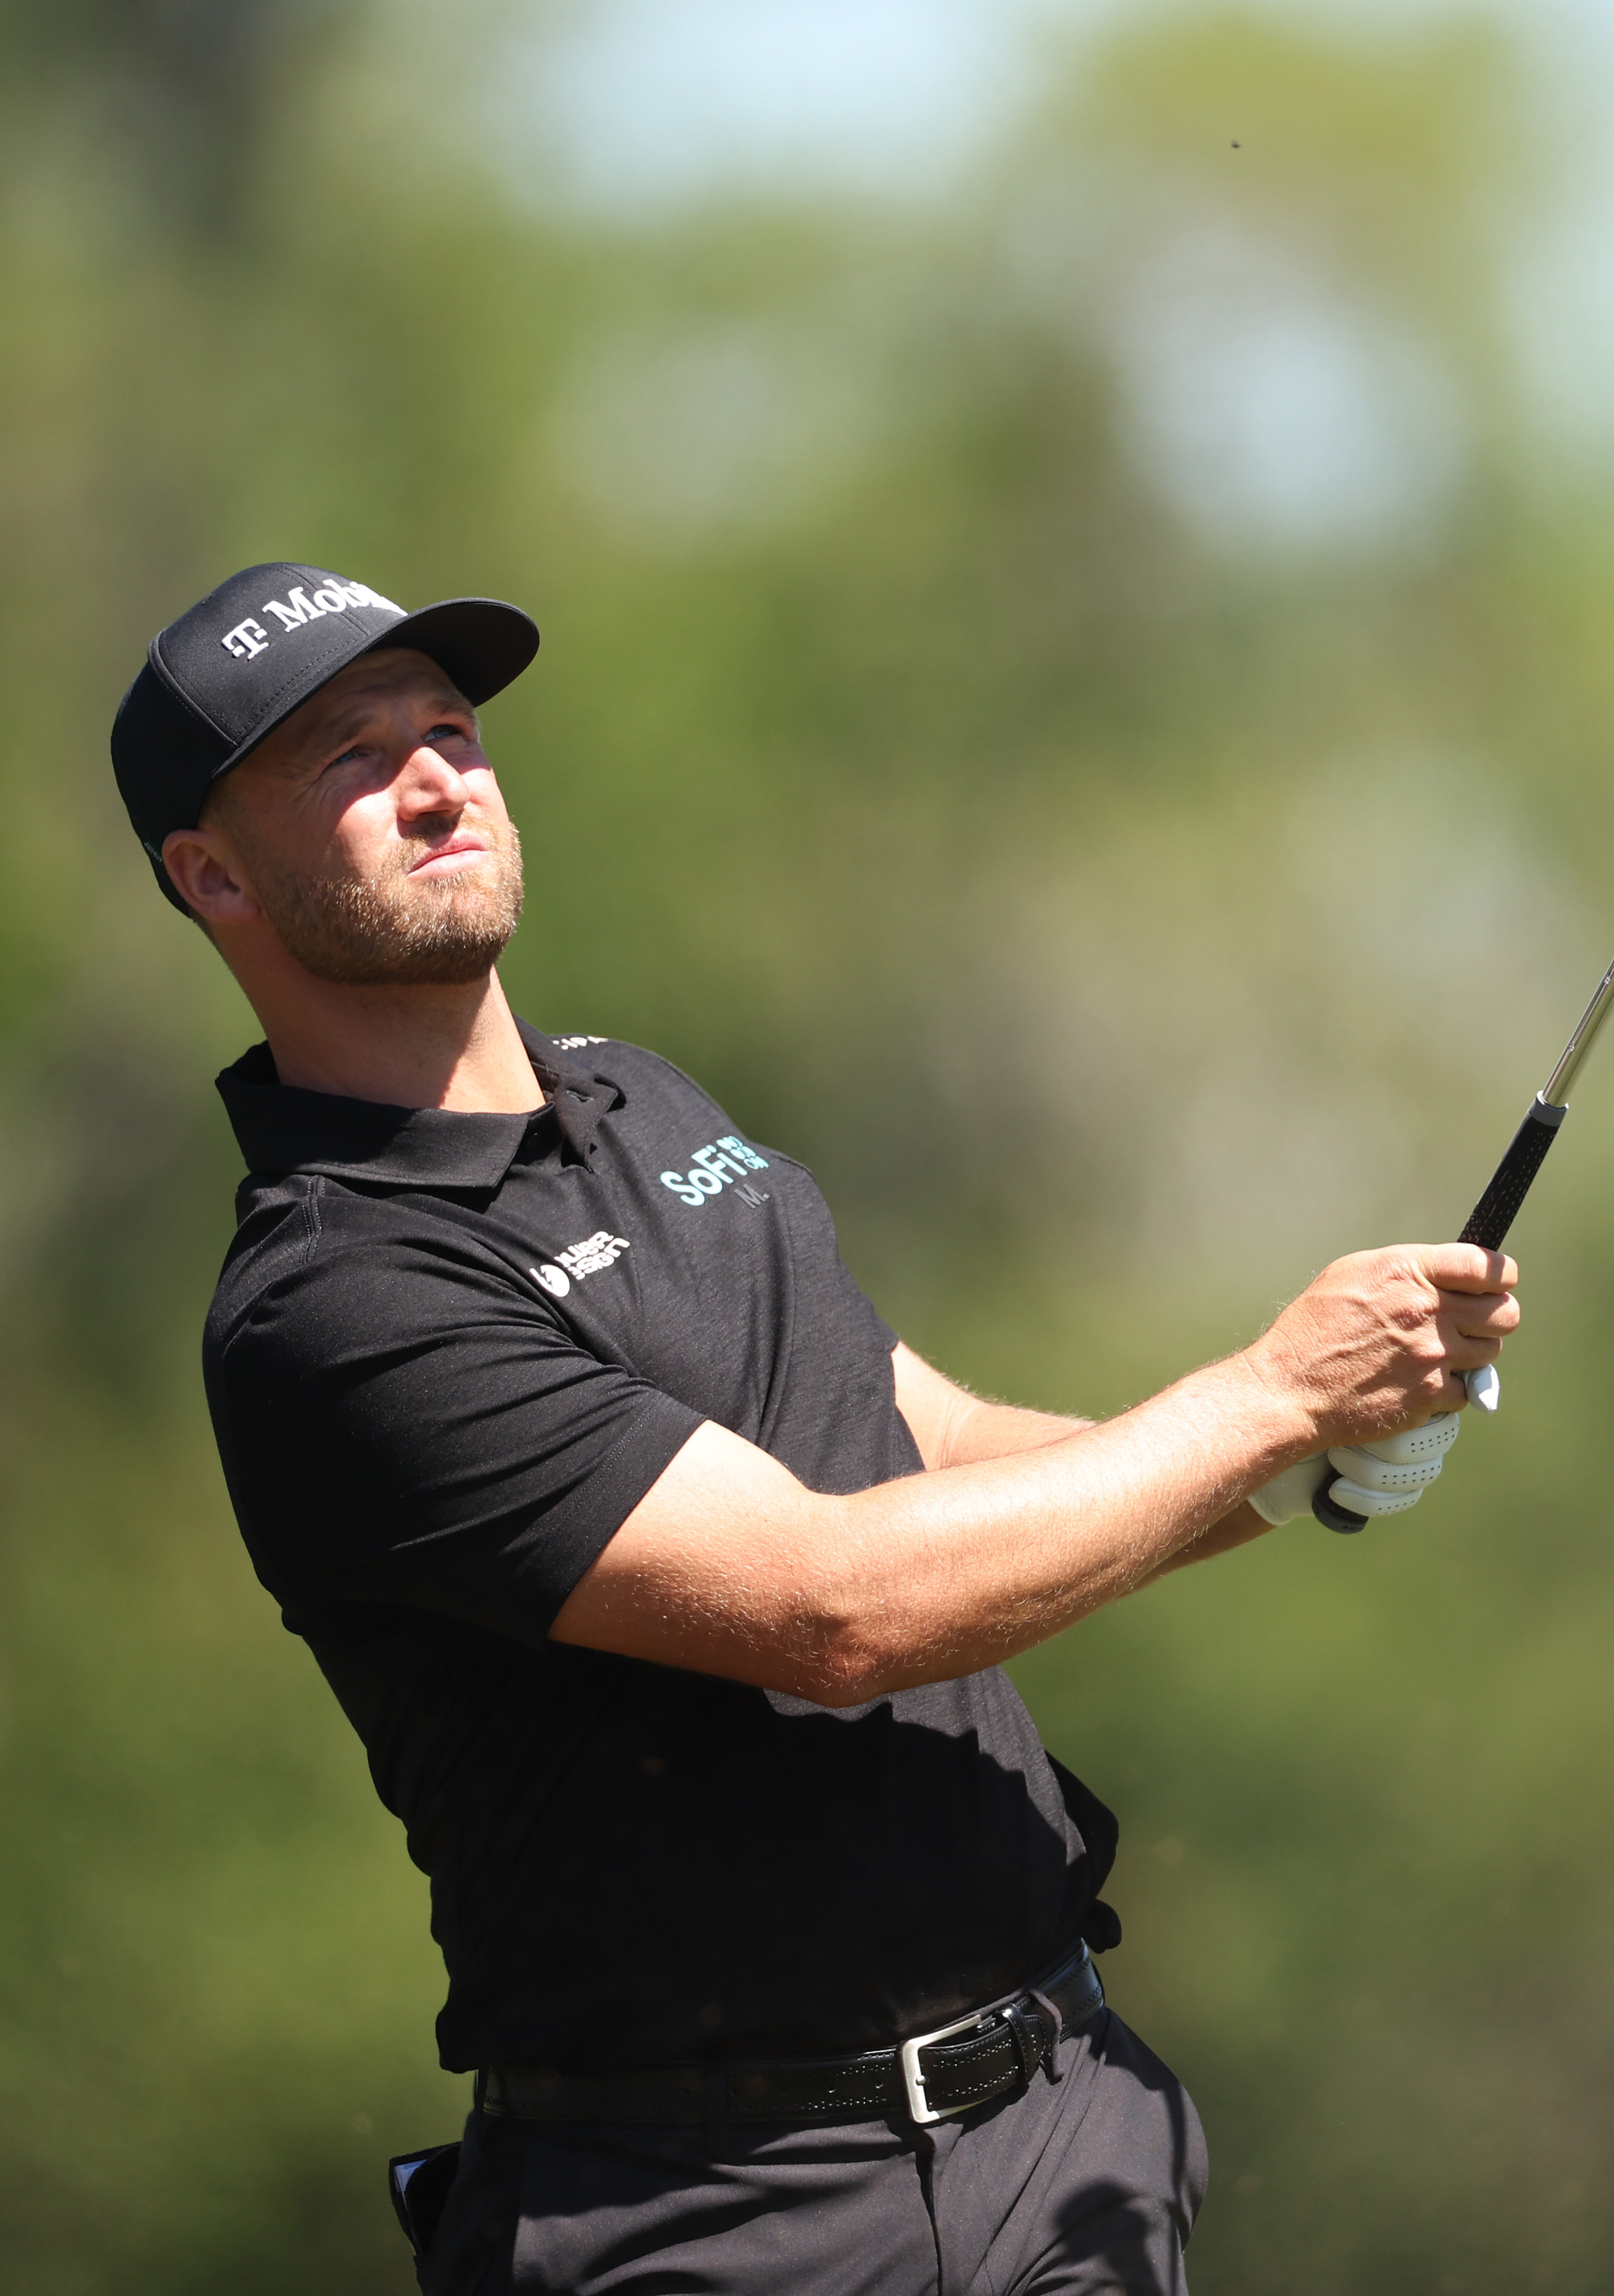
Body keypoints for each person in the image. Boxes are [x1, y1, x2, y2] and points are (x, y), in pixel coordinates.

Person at [109, 562, 1520, 2295]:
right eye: (348, 754)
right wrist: (1267, 1396)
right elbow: (828, 1608)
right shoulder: (336, 1306)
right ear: (211, 870)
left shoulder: (645, 1096)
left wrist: (1300, 1467)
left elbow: (922, 1436)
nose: (433, 778)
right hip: (717, 2211)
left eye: (451, 728)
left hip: (1060, 2124)